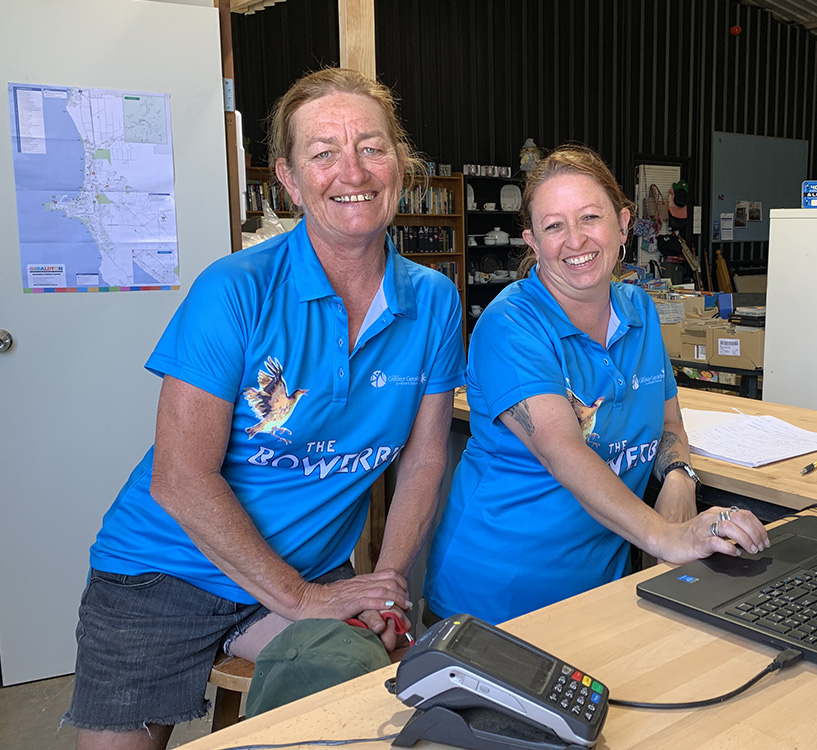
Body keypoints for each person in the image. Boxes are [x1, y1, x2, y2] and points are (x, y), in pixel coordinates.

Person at [63, 68, 465, 750]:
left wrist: (388, 583)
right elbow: (180, 477)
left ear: (400, 163)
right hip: (164, 569)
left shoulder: (432, 300)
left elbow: (425, 458)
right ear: (287, 178)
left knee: (361, 703)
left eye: (372, 146)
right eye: (324, 152)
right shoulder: (236, 288)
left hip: (308, 567)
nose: (353, 171)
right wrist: (304, 601)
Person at [423, 144, 768, 625]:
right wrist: (665, 535)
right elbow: (561, 448)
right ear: (532, 241)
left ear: (623, 223)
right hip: (496, 599)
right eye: (554, 226)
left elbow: (668, 419)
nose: (575, 239)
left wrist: (677, 475)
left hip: (598, 592)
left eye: (590, 217)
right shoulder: (511, 324)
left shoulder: (640, 311)